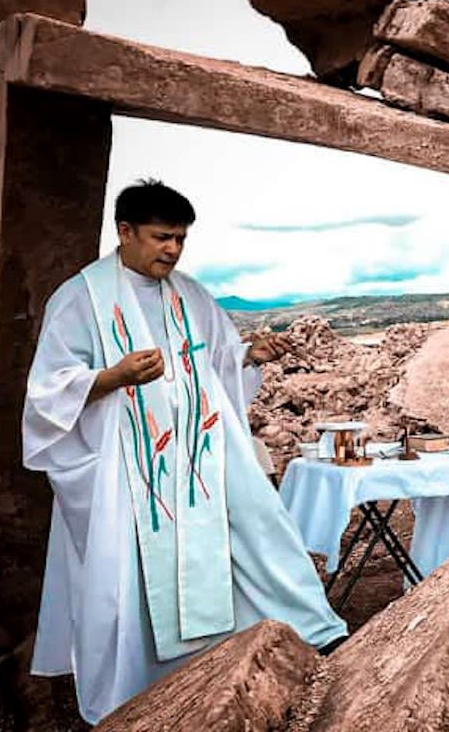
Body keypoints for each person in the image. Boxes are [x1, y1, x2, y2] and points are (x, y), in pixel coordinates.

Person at [22, 180, 348, 724]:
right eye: (161, 237)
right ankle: (143, 688)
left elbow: (215, 358)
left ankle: (310, 636)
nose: (172, 250)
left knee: (262, 529)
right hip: (131, 466)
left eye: (180, 240)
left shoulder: (189, 293)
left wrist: (249, 354)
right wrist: (111, 377)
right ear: (124, 232)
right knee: (128, 572)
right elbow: (48, 390)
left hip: (202, 453)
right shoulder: (79, 299)